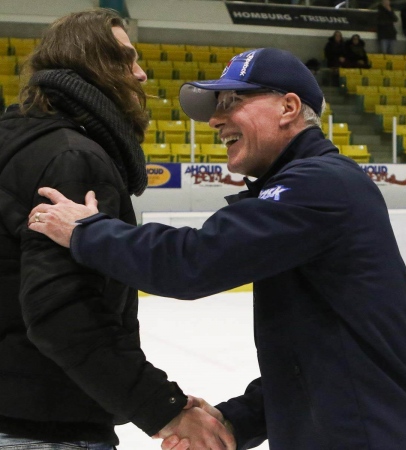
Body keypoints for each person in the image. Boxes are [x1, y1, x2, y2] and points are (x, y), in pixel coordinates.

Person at [28, 47, 406, 449]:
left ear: (288, 107)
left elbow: (191, 261)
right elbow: (320, 360)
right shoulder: (311, 189)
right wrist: (237, 422)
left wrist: (87, 231)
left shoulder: (319, 184)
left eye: (232, 101)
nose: (215, 119)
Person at [0, 8, 234, 450]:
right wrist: (164, 409)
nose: (142, 75)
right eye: (127, 59)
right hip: (44, 428)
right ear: (93, 65)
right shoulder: (73, 157)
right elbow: (63, 311)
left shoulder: (15, 142)